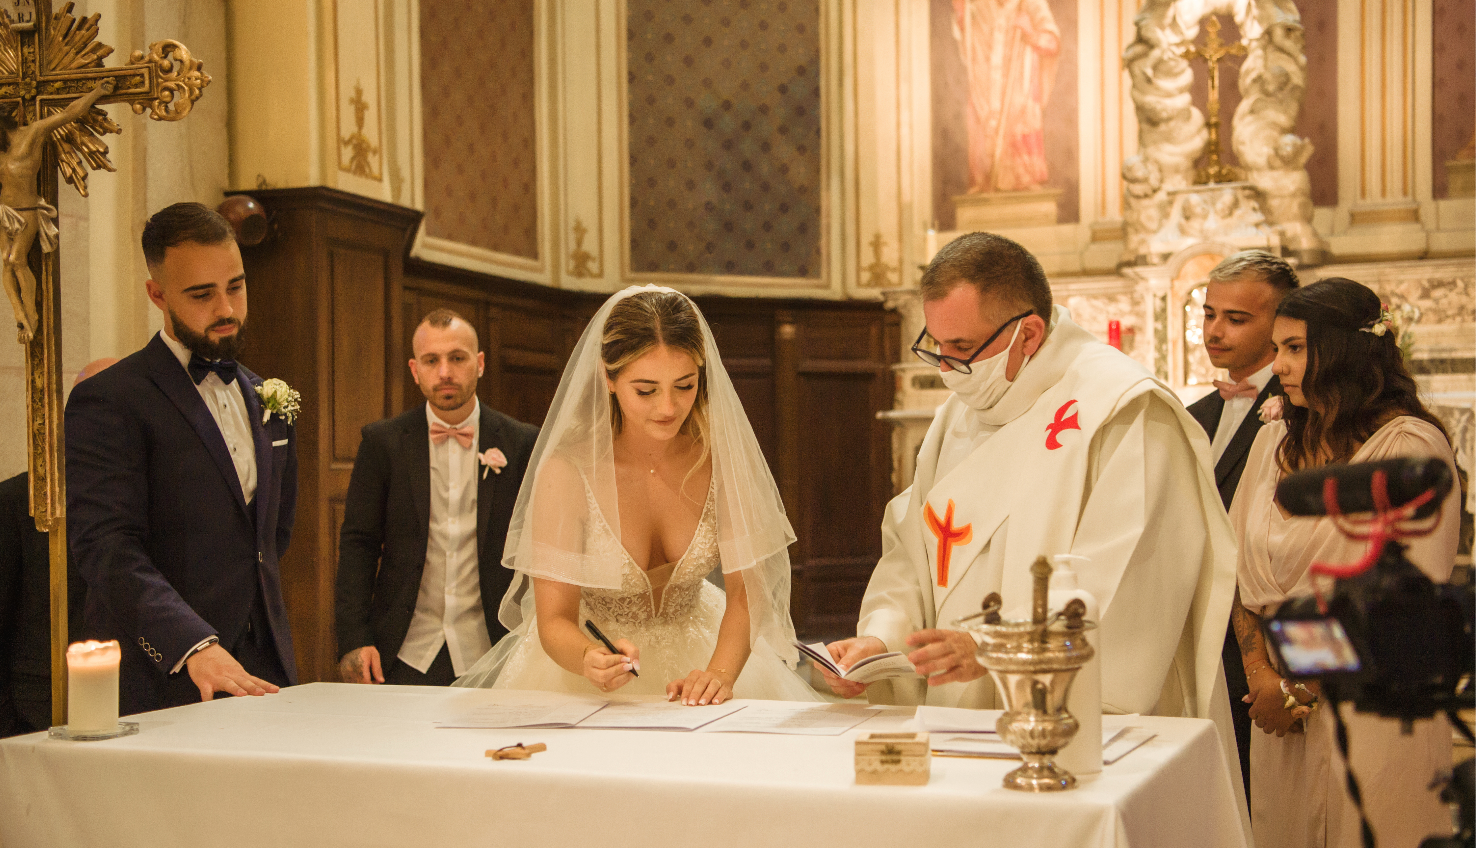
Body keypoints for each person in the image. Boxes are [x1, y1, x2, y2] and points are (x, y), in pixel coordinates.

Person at [823, 234, 1238, 746]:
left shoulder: (1123, 411)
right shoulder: (963, 409)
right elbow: (915, 550)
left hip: (1073, 721)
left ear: (1030, 332)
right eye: (936, 346)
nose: (947, 369)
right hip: (957, 707)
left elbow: (1126, 580)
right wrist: (882, 639)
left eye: (962, 348)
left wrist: (995, 647)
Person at [455, 286, 817, 704]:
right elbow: (553, 619)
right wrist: (589, 656)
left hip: (709, 654)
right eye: (646, 390)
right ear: (608, 379)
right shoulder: (568, 471)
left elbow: (746, 590)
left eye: (685, 385)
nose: (667, 407)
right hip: (583, 679)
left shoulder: (719, 460)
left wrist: (719, 672)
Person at [1230, 277, 1460, 848]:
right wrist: (1263, 676)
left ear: (1345, 350)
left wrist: (1299, 691)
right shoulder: (1273, 439)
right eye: (1278, 348)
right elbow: (1238, 575)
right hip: (1279, 711)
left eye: (1295, 348)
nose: (1277, 365)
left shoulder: (1409, 448)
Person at [67, 202, 298, 715]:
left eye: (235, 286)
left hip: (267, 670)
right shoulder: (111, 399)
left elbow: (272, 535)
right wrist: (193, 644)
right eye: (201, 294)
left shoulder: (266, 395)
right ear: (157, 294)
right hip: (164, 679)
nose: (227, 309)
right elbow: (106, 547)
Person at [335, 310, 539, 686]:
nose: (445, 371)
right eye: (432, 361)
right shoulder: (382, 443)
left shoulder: (523, 443)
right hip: (403, 648)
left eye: (457, 358)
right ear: (415, 370)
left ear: (479, 364)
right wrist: (353, 639)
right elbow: (358, 545)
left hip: (494, 648)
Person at [0, 359, 114, 756]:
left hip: (140, 723)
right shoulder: (12, 505)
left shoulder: (152, 503)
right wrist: (4, 742)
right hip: (38, 727)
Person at [1187, 249, 1299, 803]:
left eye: (1235, 318)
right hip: (1198, 635)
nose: (1214, 330)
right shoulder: (1194, 414)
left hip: (1264, 641)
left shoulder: (1301, 408)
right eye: (1209, 314)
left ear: (1281, 325)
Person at [0, 80, 115, 343]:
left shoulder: (33, 133)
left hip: (28, 211)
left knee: (16, 259)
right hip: (6, 211)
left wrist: (97, 92)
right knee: (5, 259)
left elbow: (68, 114)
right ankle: (19, 314)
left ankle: (31, 315)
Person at [951, 0, 1060, 193]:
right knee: (982, 130)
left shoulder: (1031, 1)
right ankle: (985, 179)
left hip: (1021, 90)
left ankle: (1024, 178)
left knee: (1021, 130)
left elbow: (1053, 43)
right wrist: (959, 5)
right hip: (986, 91)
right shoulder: (982, 7)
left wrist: (1031, 33)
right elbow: (967, 36)